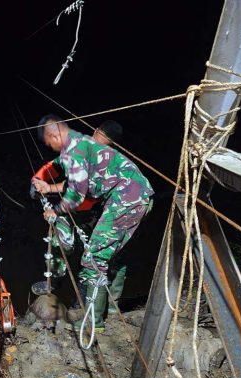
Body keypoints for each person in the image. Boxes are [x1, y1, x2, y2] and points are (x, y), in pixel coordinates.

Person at [31, 115, 153, 332]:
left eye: (49, 143)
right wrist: (43, 183)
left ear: (54, 134)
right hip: (135, 196)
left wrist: (54, 209)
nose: (51, 147)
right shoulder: (80, 144)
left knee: (93, 259)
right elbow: (61, 169)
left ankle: (94, 321)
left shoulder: (77, 149)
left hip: (126, 199)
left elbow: (75, 196)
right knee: (111, 254)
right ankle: (111, 310)